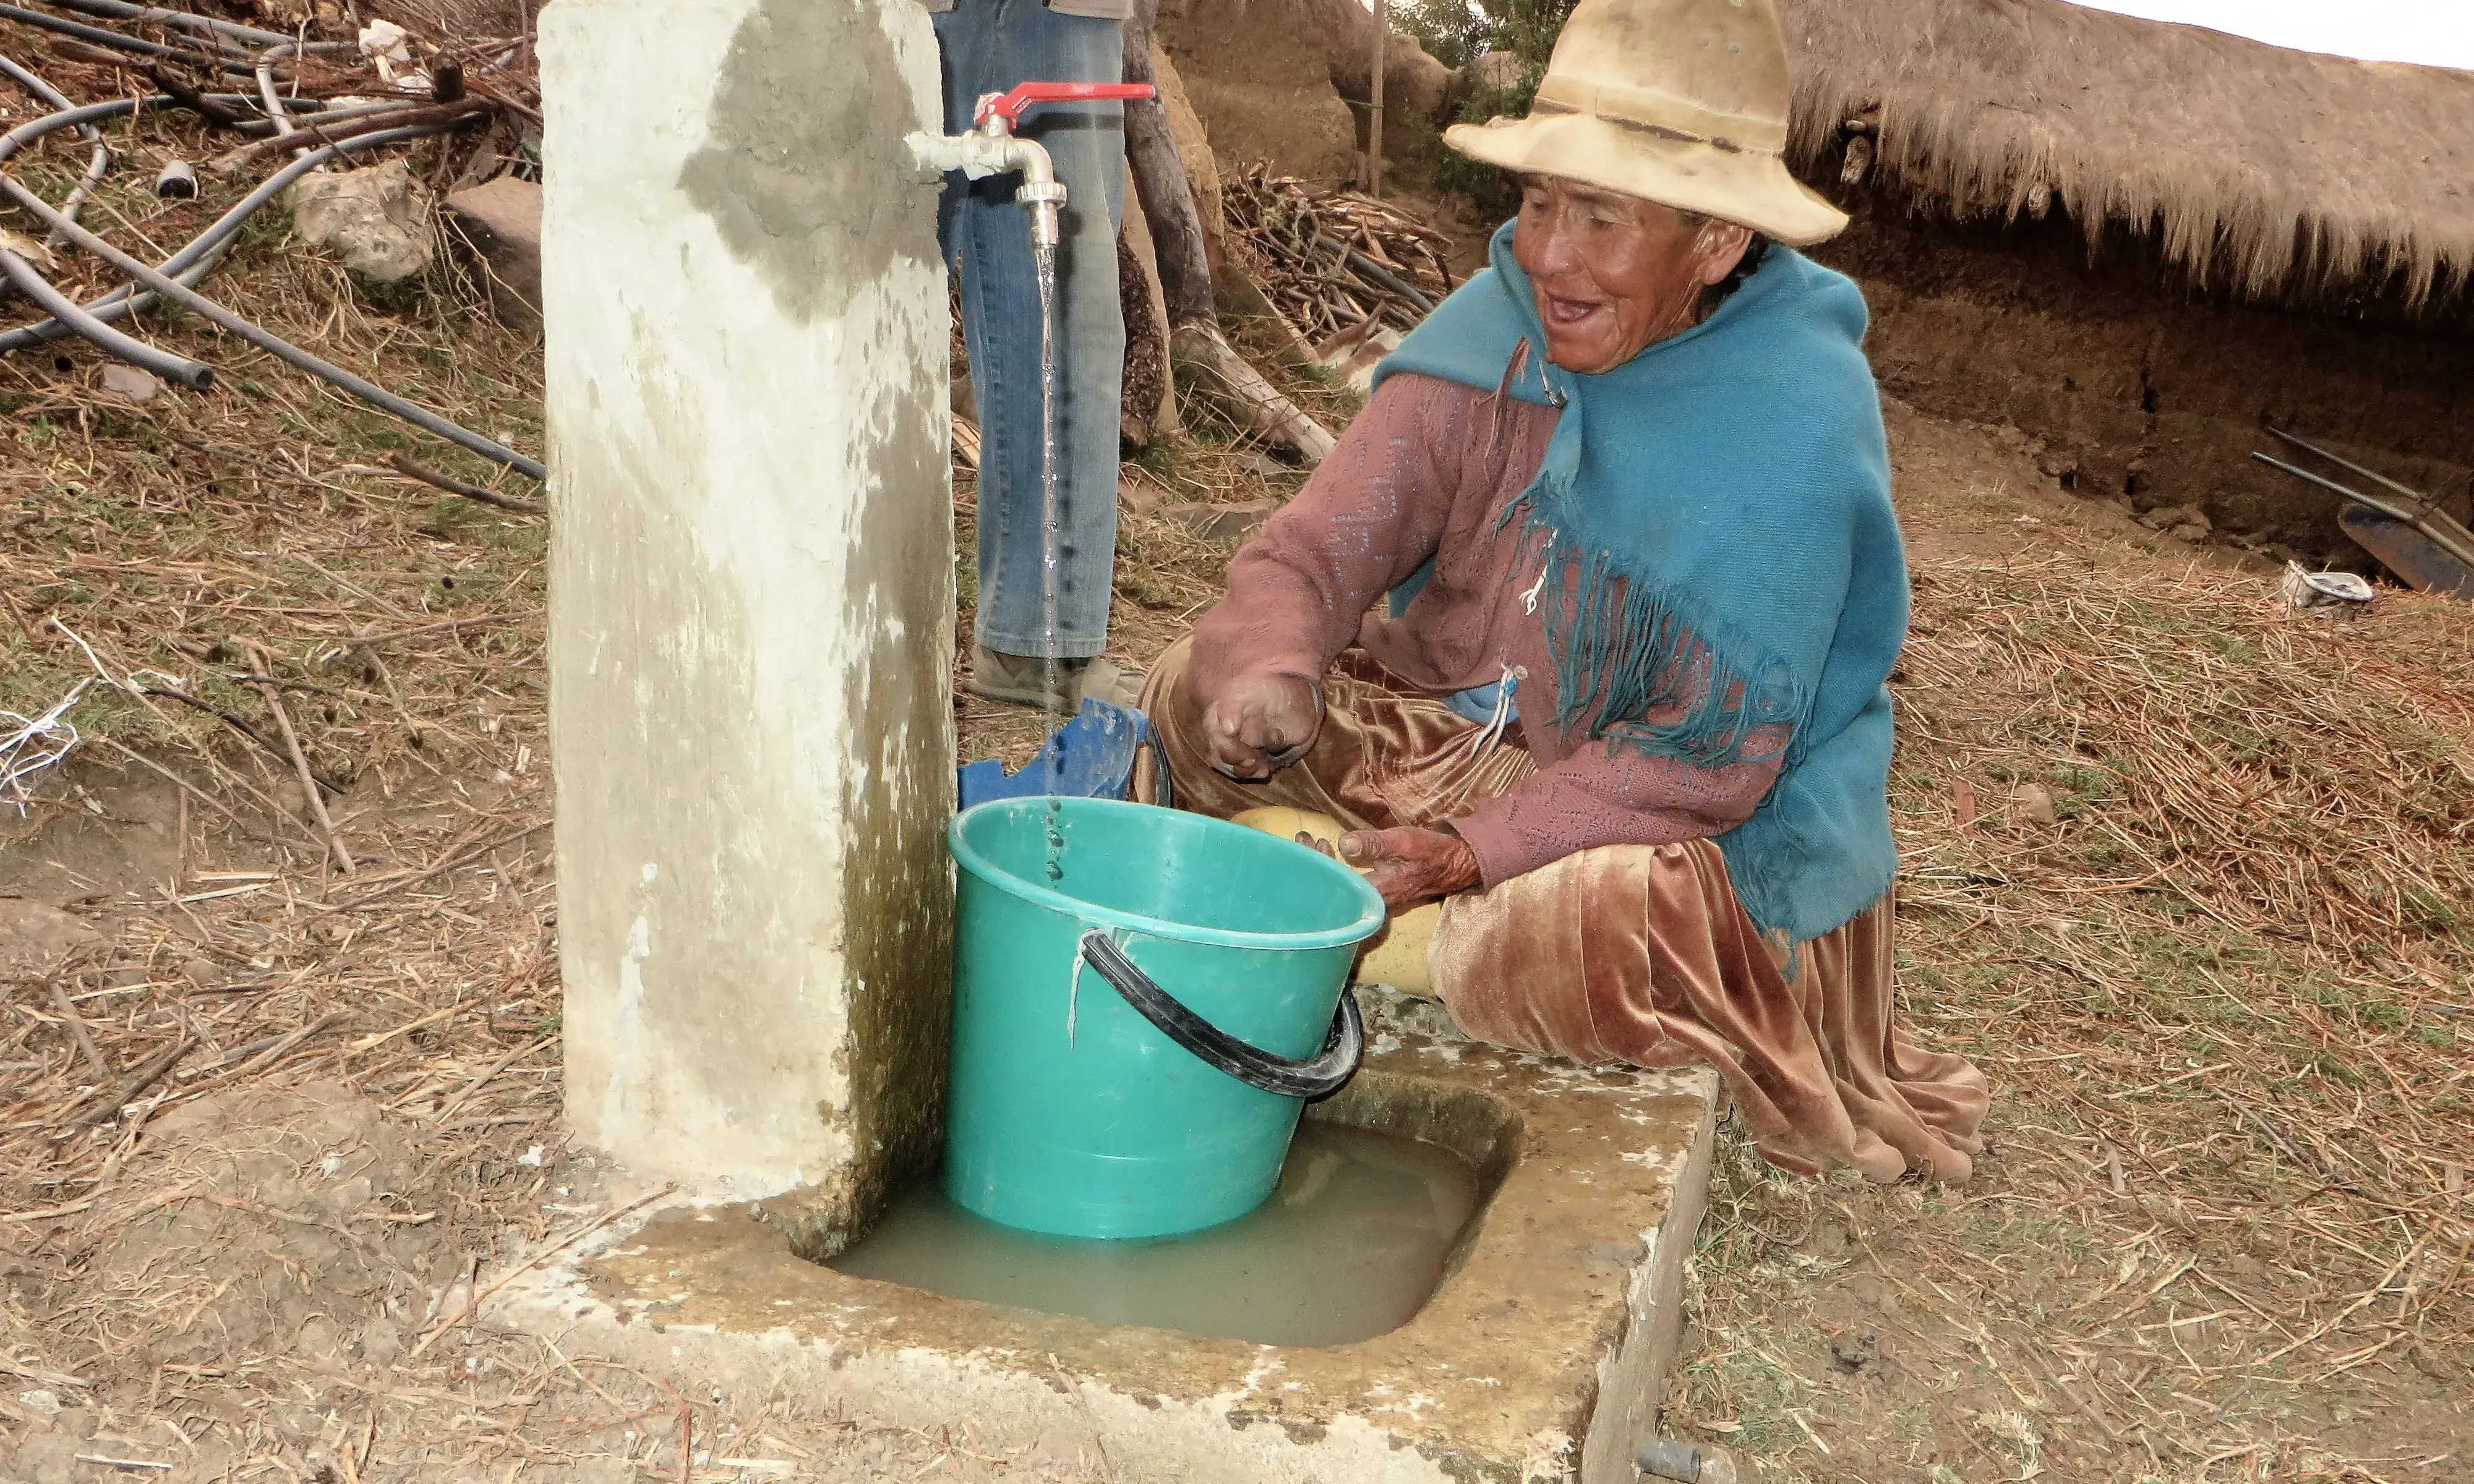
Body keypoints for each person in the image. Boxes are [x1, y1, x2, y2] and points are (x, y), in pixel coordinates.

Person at [1140, 0, 1988, 1180]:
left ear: (1716, 243)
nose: (1549, 255)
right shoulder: (1489, 332)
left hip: (1676, 818)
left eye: (1602, 218)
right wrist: (1274, 667)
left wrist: (1467, 851)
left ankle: (1360, 912)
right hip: (1464, 733)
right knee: (1192, 684)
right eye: (1539, 203)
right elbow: (1316, 552)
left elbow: (1704, 760)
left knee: (1595, 922)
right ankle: (1387, 919)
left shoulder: (1792, 421)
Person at [929, 0, 1139, 708]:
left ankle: (1033, 639)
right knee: (862, 301)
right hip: (944, 13)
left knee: (1062, 312)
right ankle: (831, 619)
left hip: (1066, 14)